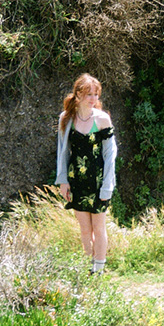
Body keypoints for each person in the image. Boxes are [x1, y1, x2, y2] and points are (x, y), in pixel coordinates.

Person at [56, 73, 117, 274]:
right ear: (78, 94)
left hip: (98, 181)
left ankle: (98, 271)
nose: (93, 99)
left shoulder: (102, 119)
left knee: (99, 228)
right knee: (84, 229)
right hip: (76, 181)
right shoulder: (66, 119)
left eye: (96, 94)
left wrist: (108, 185)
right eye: (89, 94)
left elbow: (110, 154)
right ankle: (87, 267)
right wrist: (63, 180)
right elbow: (62, 152)